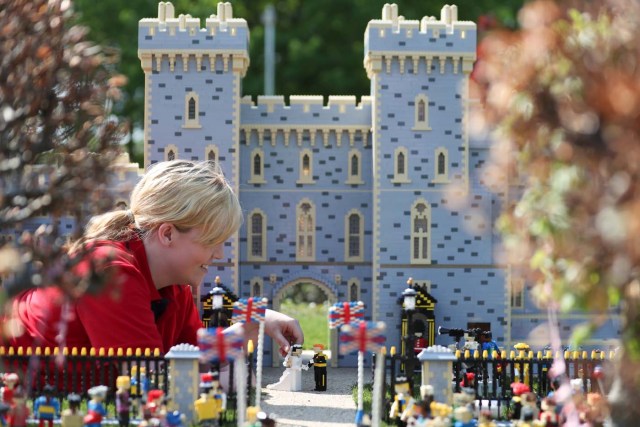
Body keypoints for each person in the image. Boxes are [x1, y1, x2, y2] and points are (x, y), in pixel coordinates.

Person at [7, 160, 303, 356]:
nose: (219, 255)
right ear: (167, 234)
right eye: (211, 241)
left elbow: (186, 355)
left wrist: (255, 322)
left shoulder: (176, 286)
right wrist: (235, 337)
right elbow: (147, 376)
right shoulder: (108, 270)